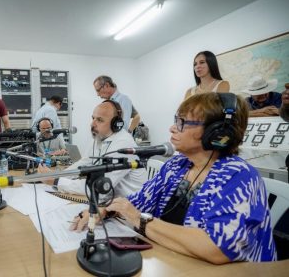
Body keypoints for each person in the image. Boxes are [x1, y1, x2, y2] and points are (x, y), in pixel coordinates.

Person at [71, 92, 276, 263]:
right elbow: (138, 201)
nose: (172, 127)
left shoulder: (239, 176)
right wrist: (103, 210)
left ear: (216, 132)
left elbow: (217, 247)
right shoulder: (176, 165)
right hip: (174, 261)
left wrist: (139, 219)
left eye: (182, 122)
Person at [38, 100, 147, 197]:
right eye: (93, 118)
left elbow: (100, 187)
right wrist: (57, 175)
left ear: (116, 124)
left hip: (131, 207)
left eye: (99, 120)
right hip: (112, 202)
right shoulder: (100, 137)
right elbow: (84, 162)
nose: (92, 124)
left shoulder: (123, 145)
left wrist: (56, 181)